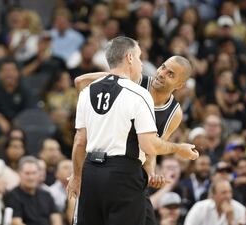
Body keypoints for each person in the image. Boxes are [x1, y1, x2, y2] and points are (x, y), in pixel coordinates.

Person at [66, 36, 198, 225]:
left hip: (132, 171)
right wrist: (112, 80)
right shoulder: (135, 81)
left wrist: (151, 173)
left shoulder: (174, 113)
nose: (161, 74)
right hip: (118, 167)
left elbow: (151, 150)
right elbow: (81, 82)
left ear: (180, 85)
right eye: (163, 68)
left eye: (171, 74)